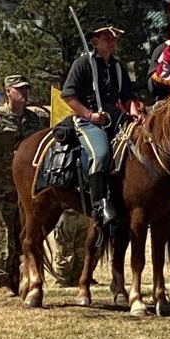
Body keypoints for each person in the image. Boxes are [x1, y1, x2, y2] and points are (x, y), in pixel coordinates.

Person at [60, 18, 143, 225]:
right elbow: (69, 96)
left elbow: (127, 97)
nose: (112, 42)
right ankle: (98, 205)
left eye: (114, 38)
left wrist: (134, 114)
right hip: (89, 119)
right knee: (101, 153)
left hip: (115, 117)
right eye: (106, 38)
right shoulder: (82, 64)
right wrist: (89, 115)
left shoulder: (118, 66)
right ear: (95, 41)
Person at [0, 74, 43, 295]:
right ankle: (4, 279)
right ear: (8, 92)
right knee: (5, 234)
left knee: (26, 232)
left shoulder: (34, 120)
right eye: (19, 89)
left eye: (26, 89)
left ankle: (24, 275)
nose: (24, 93)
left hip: (30, 189)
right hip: (3, 185)